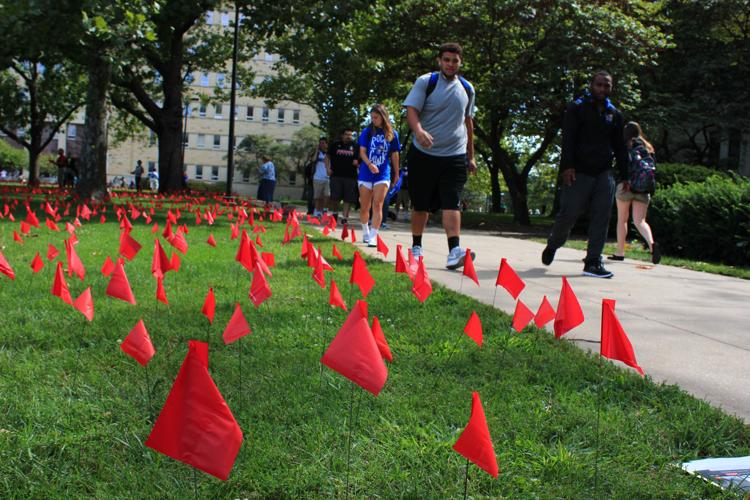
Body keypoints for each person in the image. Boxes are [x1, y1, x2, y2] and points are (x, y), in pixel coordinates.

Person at [541, 70, 628, 278]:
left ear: (611, 88)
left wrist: (626, 175)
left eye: (606, 86)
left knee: (601, 216)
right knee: (569, 213)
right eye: (599, 85)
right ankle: (553, 244)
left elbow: (620, 147)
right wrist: (568, 167)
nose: (602, 89)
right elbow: (568, 139)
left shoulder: (614, 114)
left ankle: (592, 262)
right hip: (579, 171)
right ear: (592, 85)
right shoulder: (577, 108)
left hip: (603, 172)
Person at [402, 42, 477, 269]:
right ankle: (416, 247)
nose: (450, 64)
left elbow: (468, 123)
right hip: (424, 154)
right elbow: (411, 111)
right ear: (439, 61)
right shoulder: (427, 82)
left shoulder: (467, 88)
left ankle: (454, 250)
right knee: (421, 205)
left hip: (453, 155)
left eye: (455, 61)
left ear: (460, 62)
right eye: (446, 60)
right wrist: (419, 131)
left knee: (451, 202)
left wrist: (470, 156)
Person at [608, 121, 661, 264]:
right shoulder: (648, 147)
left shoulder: (624, 145)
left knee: (622, 219)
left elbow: (619, 165)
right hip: (643, 188)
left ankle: (620, 252)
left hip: (625, 186)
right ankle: (652, 245)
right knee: (640, 221)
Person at [357, 104, 401, 247]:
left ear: (383, 116)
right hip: (365, 173)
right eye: (372, 117)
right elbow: (362, 152)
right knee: (365, 207)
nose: (373, 120)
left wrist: (396, 172)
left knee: (378, 205)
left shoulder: (392, 134)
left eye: (376, 117)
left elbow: (395, 155)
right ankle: (365, 231)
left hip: (383, 174)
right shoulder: (367, 132)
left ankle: (373, 236)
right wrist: (370, 164)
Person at [328, 128, 359, 224]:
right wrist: (327, 168)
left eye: (350, 135)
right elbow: (327, 157)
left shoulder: (355, 146)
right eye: (346, 134)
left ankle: (345, 218)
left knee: (348, 198)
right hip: (336, 175)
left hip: (350, 177)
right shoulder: (335, 145)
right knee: (335, 197)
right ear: (342, 135)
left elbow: (359, 159)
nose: (349, 136)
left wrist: (357, 162)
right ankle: (335, 213)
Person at [312, 137, 329, 218]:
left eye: (323, 143)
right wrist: (316, 150)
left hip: (328, 178)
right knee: (317, 197)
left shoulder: (330, 153)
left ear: (326, 144)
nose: (321, 144)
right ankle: (316, 211)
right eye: (320, 143)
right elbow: (313, 160)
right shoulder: (317, 153)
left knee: (327, 195)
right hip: (317, 177)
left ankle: (324, 210)